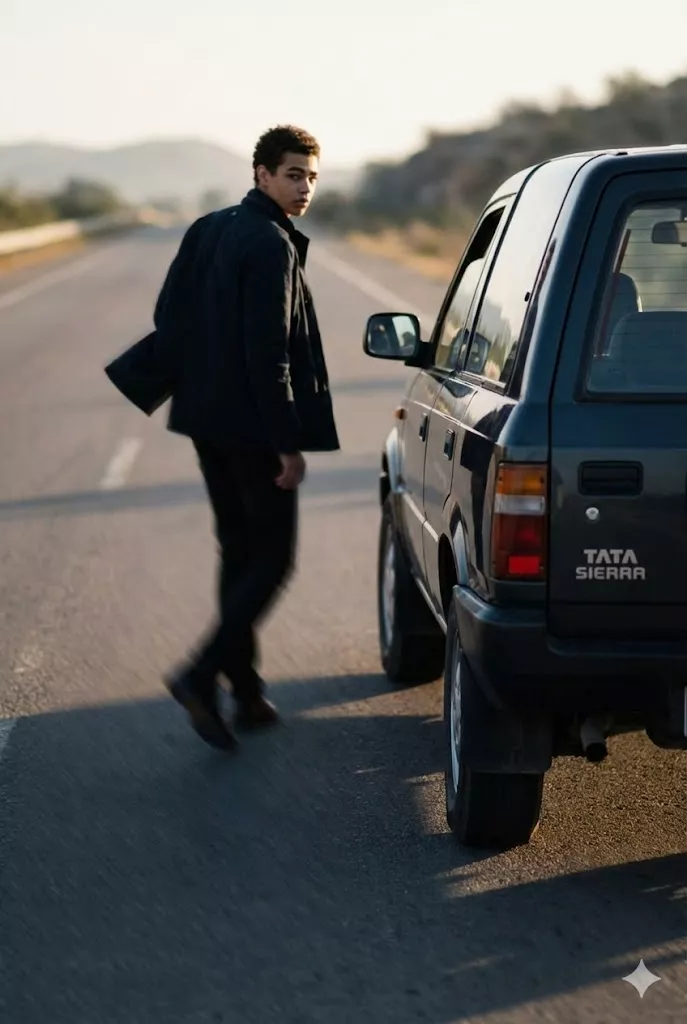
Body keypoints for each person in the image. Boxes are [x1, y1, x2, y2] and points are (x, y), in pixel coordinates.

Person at [154, 125, 340, 750]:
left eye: (311, 176)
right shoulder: (271, 244)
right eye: (293, 174)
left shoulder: (208, 227)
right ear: (261, 173)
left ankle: (247, 691)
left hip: (205, 419)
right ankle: (200, 676)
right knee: (272, 560)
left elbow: (168, 317)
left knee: (238, 552)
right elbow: (271, 355)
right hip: (253, 427)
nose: (304, 187)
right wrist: (287, 444)